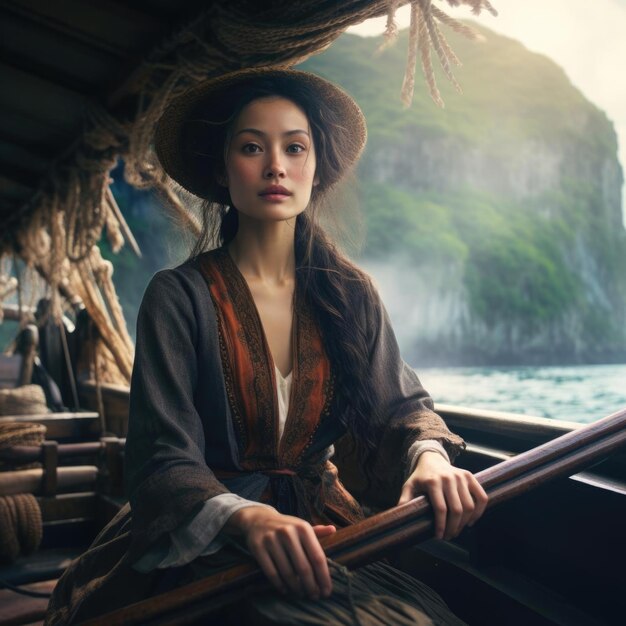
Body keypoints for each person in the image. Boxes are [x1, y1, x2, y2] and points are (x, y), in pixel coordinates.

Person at [45, 68, 487, 625]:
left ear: (315, 168)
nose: (276, 165)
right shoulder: (177, 297)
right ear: (222, 169)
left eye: (294, 147)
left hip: (321, 530)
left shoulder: (350, 294)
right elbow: (162, 457)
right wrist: (245, 518)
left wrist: (429, 458)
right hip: (203, 536)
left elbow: (400, 408)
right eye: (252, 147)